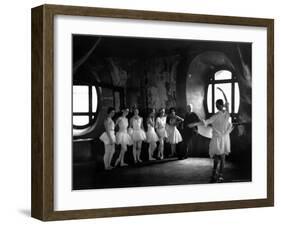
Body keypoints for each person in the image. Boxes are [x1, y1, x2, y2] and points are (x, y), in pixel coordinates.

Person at [203, 88, 233, 183]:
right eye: (216, 105)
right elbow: (227, 102)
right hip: (223, 138)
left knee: (218, 157)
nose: (216, 106)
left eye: (217, 105)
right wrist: (223, 92)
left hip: (219, 138)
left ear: (220, 105)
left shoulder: (218, 115)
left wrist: (197, 122)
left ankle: (216, 174)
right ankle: (218, 175)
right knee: (221, 157)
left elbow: (206, 122)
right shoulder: (226, 114)